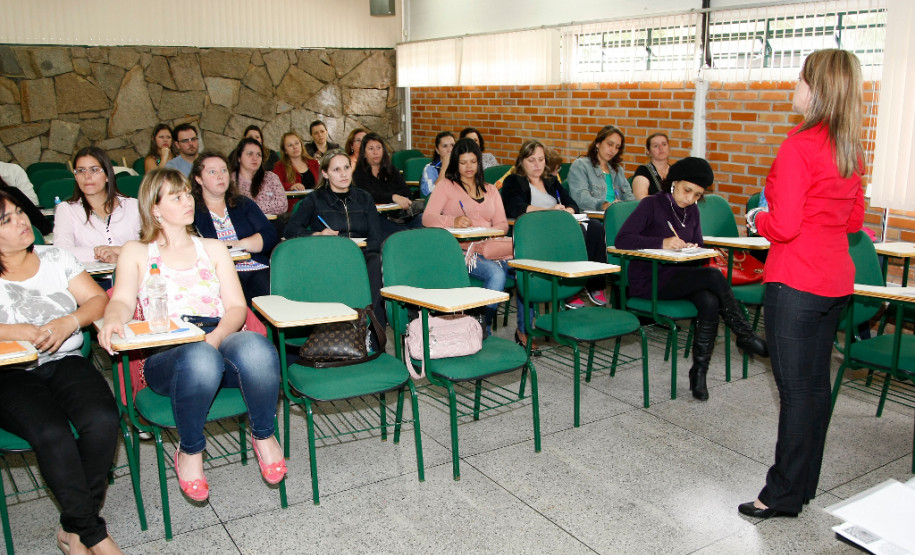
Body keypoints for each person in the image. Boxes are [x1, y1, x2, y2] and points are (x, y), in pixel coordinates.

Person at [100, 168, 286, 504]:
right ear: (155, 209)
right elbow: (124, 300)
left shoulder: (213, 248)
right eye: (177, 196)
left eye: (188, 193)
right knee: (199, 357)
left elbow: (235, 309)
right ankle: (190, 450)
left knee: (256, 347)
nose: (188, 200)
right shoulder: (137, 252)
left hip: (217, 333)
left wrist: (214, 339)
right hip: (166, 353)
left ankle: (264, 433)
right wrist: (111, 319)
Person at [740, 49, 865, 520]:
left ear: (816, 89)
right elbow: (854, 220)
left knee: (795, 394)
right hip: (834, 282)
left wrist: (757, 217)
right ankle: (802, 486)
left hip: (795, 281)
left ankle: (779, 494)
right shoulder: (850, 146)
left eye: (799, 79)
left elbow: (786, 225)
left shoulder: (799, 145)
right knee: (815, 389)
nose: (795, 87)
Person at [0, 188, 123, 554]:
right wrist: (16, 331)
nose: (23, 221)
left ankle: (73, 530)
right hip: (10, 373)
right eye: (6, 220)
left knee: (102, 419)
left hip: (65, 362)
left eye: (20, 212)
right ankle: (93, 534)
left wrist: (70, 321)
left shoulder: (54, 256)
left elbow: (98, 299)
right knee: (53, 433)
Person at [615, 157, 767, 401]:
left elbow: (697, 245)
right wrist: (661, 243)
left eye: (697, 195)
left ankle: (699, 373)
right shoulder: (652, 204)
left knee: (709, 301)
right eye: (687, 191)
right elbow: (622, 239)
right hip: (650, 280)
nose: (690, 199)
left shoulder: (692, 211)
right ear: (674, 182)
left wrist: (695, 249)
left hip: (679, 277)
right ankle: (745, 335)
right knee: (712, 275)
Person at [502, 139, 610, 313]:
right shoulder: (514, 181)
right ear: (522, 161)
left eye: (541, 159)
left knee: (596, 226)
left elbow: (572, 204)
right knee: (574, 235)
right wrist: (549, 211)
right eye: (531, 160)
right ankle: (570, 288)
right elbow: (516, 208)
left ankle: (594, 284)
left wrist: (567, 211)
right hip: (535, 231)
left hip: (560, 224)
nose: (537, 164)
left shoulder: (550, 180)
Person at [285, 150, 387, 331]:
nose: (343, 174)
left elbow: (376, 236)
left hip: (362, 254)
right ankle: (347, 329)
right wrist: (317, 235)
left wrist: (360, 249)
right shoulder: (315, 199)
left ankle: (369, 327)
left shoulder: (364, 198)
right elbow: (291, 229)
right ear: (325, 173)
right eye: (336, 169)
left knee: (376, 262)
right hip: (329, 255)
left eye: (346, 168)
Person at [423, 138, 509, 335]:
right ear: (456, 163)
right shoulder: (447, 186)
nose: (468, 167)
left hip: (489, 248)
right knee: (496, 274)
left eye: (472, 162)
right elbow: (427, 218)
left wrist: (491, 232)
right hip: (460, 251)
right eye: (463, 163)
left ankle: (523, 330)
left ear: (479, 162)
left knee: (523, 270)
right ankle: (480, 328)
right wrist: (452, 221)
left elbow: (503, 224)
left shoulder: (490, 189)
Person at [191, 153, 276, 305]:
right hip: (216, 272)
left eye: (223, 170)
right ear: (198, 179)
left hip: (253, 265)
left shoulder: (243, 203)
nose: (220, 176)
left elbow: (269, 234)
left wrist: (239, 244)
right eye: (212, 172)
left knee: (276, 293)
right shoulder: (191, 210)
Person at [53, 146, 141, 264]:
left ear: (107, 175)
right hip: (90, 279)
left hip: (134, 275)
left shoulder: (133, 206)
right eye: (80, 171)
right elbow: (61, 252)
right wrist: (102, 253)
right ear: (75, 177)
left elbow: (149, 247)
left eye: (94, 170)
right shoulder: (66, 209)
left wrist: (115, 250)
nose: (87, 176)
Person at [352, 132, 423, 239]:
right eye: (371, 149)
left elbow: (406, 191)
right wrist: (393, 197)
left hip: (401, 215)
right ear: (364, 153)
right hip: (378, 218)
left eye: (378, 148)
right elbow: (369, 195)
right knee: (403, 235)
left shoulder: (391, 170)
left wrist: (395, 197)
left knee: (423, 221)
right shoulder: (359, 174)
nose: (376, 152)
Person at [567, 125, 635, 212]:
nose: (613, 150)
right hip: (594, 218)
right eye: (610, 144)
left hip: (616, 215)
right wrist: (604, 205)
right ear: (598, 143)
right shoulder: (581, 165)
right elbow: (580, 198)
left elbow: (628, 196)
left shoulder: (618, 169)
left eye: (617, 147)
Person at [228, 137, 287, 216]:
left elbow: (282, 205)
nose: (255, 158)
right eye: (250, 154)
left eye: (258, 155)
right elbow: (232, 208)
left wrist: (250, 208)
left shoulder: (271, 177)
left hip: (271, 224)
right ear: (239, 158)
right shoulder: (230, 181)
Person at [272, 131, 320, 212]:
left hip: (316, 206)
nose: (295, 147)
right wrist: (290, 186)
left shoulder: (314, 163)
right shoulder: (279, 166)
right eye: (290, 145)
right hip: (295, 210)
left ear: (301, 145)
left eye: (297, 143)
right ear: (285, 150)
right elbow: (273, 185)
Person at [631, 132, 671, 200]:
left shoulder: (676, 171)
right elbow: (641, 199)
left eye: (664, 144)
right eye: (656, 146)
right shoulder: (643, 171)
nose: (661, 148)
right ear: (648, 151)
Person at [420, 131, 455, 197]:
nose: (450, 150)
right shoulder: (430, 168)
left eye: (452, 145)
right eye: (445, 146)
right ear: (437, 150)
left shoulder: (461, 166)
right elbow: (430, 193)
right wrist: (444, 168)